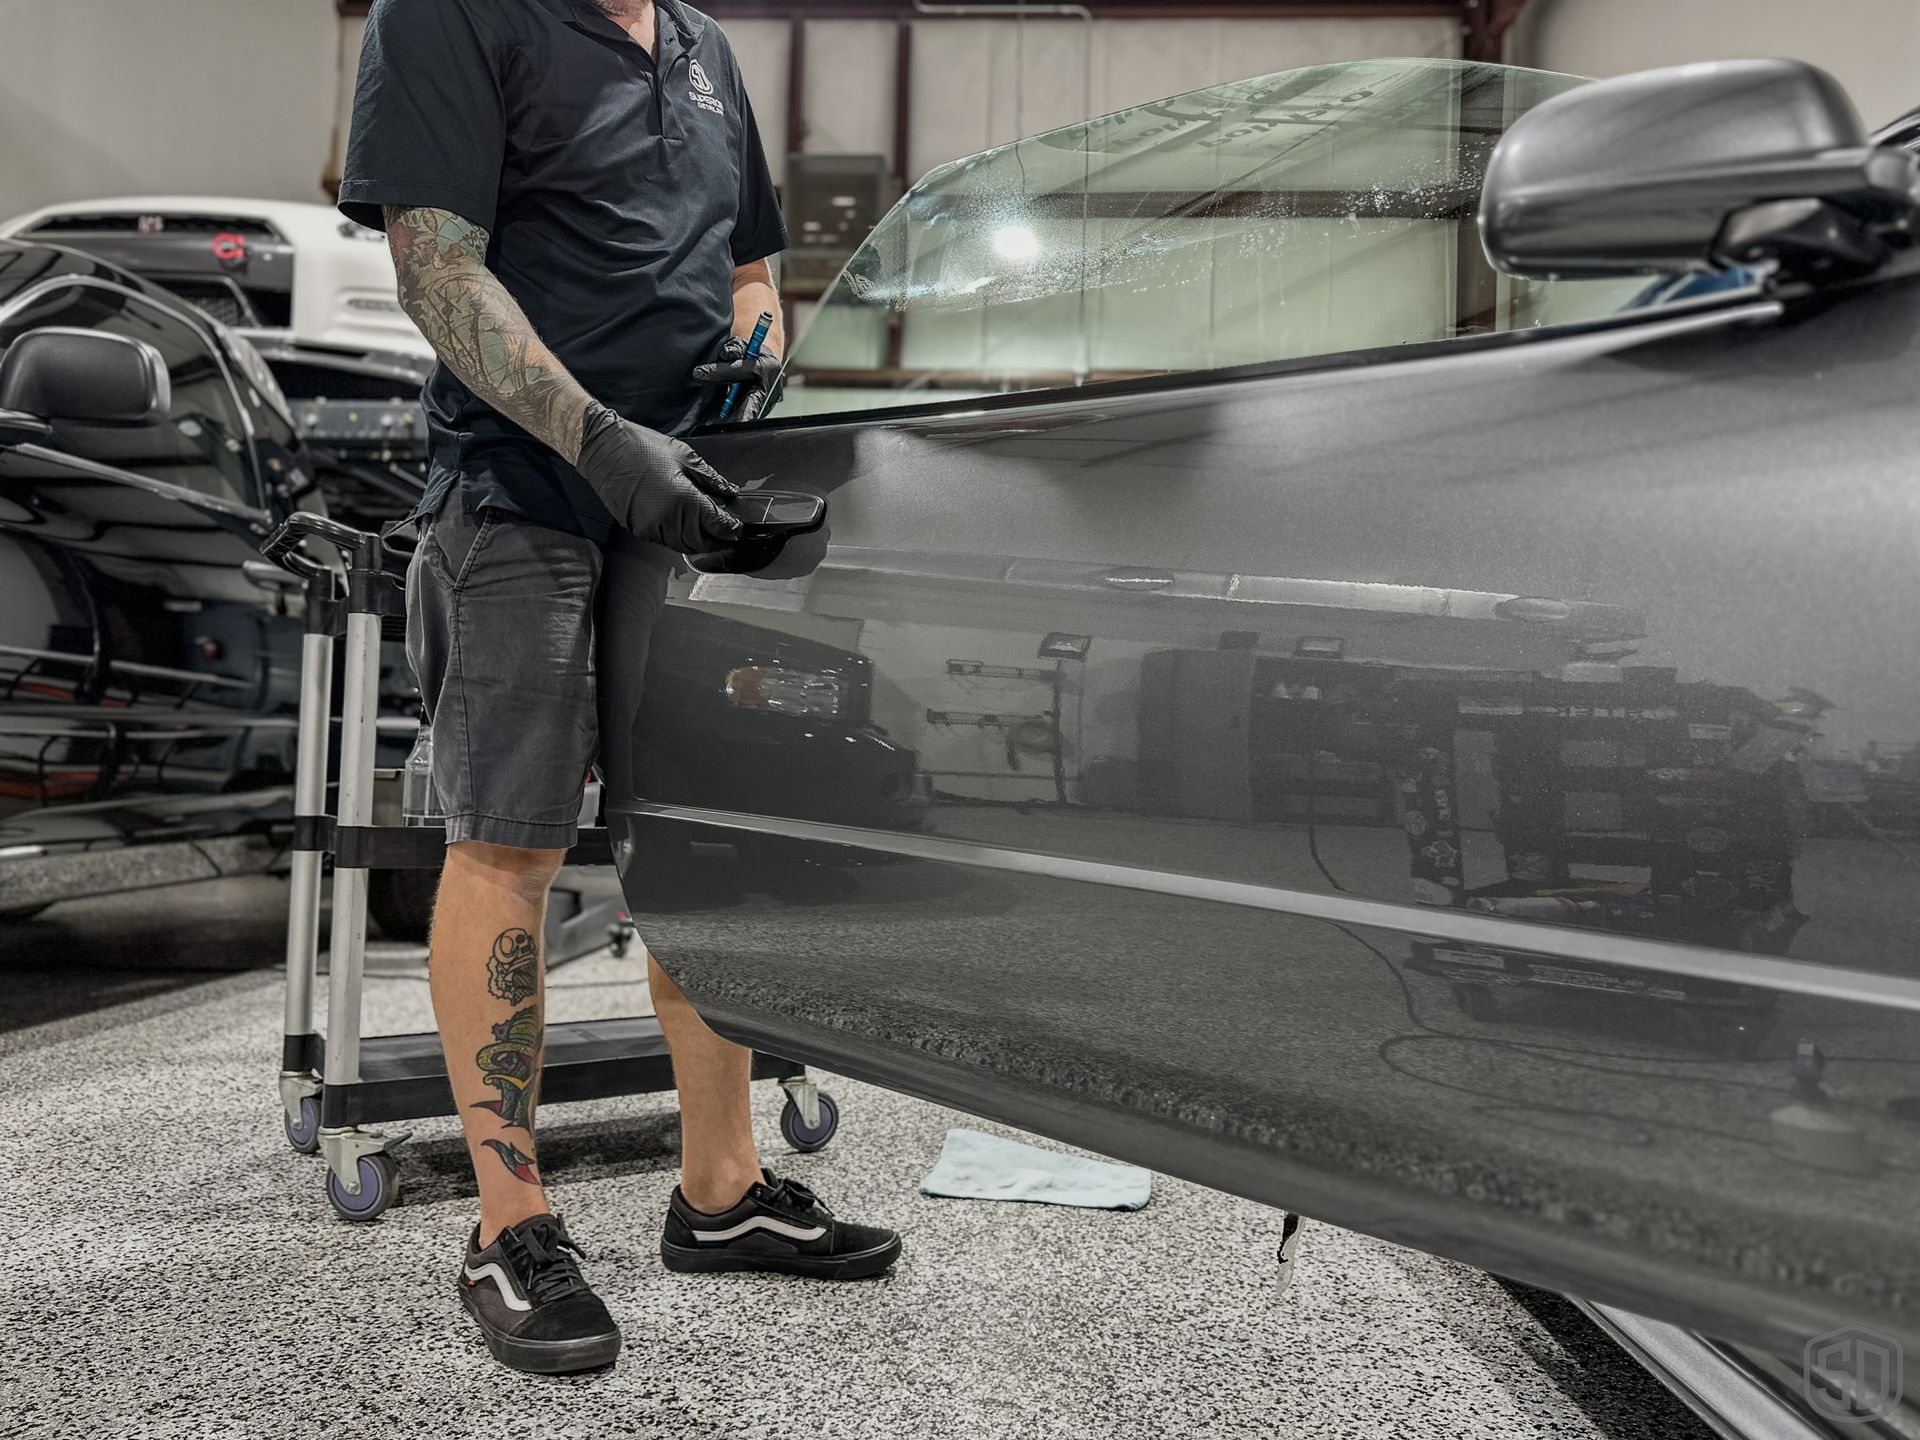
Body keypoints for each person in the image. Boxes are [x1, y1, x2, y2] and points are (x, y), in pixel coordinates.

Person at [338, 0, 900, 1376]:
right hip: (523, 495)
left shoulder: (705, 52)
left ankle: (720, 1193)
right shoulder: (454, 17)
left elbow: (752, 268)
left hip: (683, 507)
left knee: (695, 847)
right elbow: (436, 270)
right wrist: (600, 440)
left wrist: (749, 374)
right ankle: (510, 1228)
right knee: (511, 848)